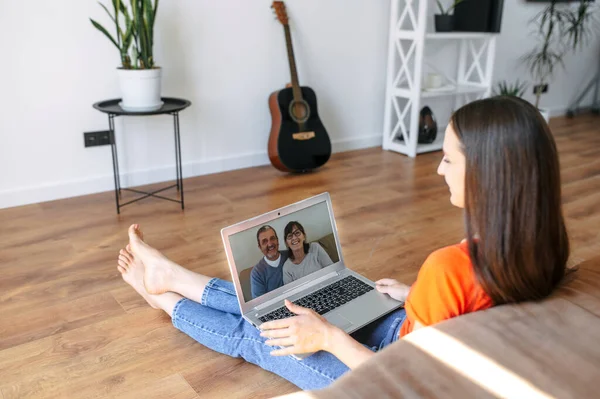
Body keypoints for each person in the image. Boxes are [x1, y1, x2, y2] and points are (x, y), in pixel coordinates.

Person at [117, 96, 569, 391]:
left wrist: (327, 337)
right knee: (287, 301)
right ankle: (173, 276)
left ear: (488, 172)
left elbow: (406, 380)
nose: (438, 169)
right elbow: (477, 308)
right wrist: (417, 297)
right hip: (413, 331)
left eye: (448, 158)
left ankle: (163, 300)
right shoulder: (541, 241)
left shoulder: (451, 266)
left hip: (384, 370)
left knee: (257, 335)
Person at [250, 225, 288, 298]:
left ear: (277, 241)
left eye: (272, 238)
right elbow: (260, 304)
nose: (270, 244)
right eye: (264, 241)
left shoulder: (290, 255)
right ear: (260, 247)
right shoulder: (257, 273)